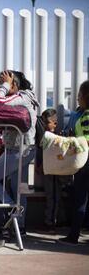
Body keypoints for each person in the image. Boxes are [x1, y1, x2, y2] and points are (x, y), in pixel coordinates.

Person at [0, 68, 39, 234]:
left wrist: (3, 86)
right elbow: (6, 97)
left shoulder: (22, 97)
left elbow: (0, 100)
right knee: (20, 189)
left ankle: (13, 209)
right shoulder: (26, 96)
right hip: (27, 150)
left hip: (17, 151)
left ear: (14, 84)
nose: (3, 86)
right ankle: (20, 227)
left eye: (6, 83)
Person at [59, 80, 89, 246]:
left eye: (79, 95)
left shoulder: (86, 116)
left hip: (85, 162)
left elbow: (87, 138)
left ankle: (73, 236)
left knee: (80, 199)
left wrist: (74, 140)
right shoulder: (81, 113)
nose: (77, 99)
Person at [35, 108, 63, 233]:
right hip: (48, 169)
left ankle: (52, 222)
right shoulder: (44, 134)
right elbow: (41, 150)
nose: (46, 125)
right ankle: (49, 222)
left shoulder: (59, 135)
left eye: (48, 122)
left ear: (55, 123)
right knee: (50, 196)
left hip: (56, 170)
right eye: (45, 122)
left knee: (55, 196)